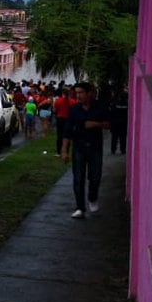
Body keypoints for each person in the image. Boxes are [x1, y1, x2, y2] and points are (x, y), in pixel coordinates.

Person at [61, 82, 108, 219]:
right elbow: (67, 131)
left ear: (89, 93)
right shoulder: (74, 110)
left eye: (81, 92)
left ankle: (92, 198)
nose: (78, 95)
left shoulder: (99, 107)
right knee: (78, 178)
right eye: (76, 93)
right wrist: (64, 151)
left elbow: (109, 124)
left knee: (95, 176)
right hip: (79, 147)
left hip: (95, 147)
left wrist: (95, 124)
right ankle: (80, 207)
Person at [110, 87, 129, 154]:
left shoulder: (114, 103)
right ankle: (123, 150)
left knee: (114, 137)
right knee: (123, 137)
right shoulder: (126, 104)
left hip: (115, 123)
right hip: (123, 123)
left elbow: (111, 113)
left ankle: (113, 149)